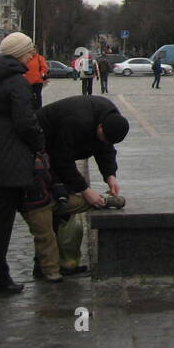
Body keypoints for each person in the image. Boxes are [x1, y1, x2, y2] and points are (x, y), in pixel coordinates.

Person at [0, 33, 46, 295]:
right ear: (18, 54)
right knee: (2, 218)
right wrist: (39, 144)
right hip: (11, 153)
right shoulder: (17, 82)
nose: (31, 56)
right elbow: (25, 122)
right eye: (29, 52)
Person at [32, 95, 130, 277]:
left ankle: (65, 260)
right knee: (54, 204)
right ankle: (44, 265)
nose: (105, 142)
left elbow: (105, 148)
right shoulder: (77, 121)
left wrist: (110, 176)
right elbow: (62, 159)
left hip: (60, 150)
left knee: (64, 209)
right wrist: (85, 190)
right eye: (104, 137)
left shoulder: (110, 118)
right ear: (100, 126)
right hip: (43, 149)